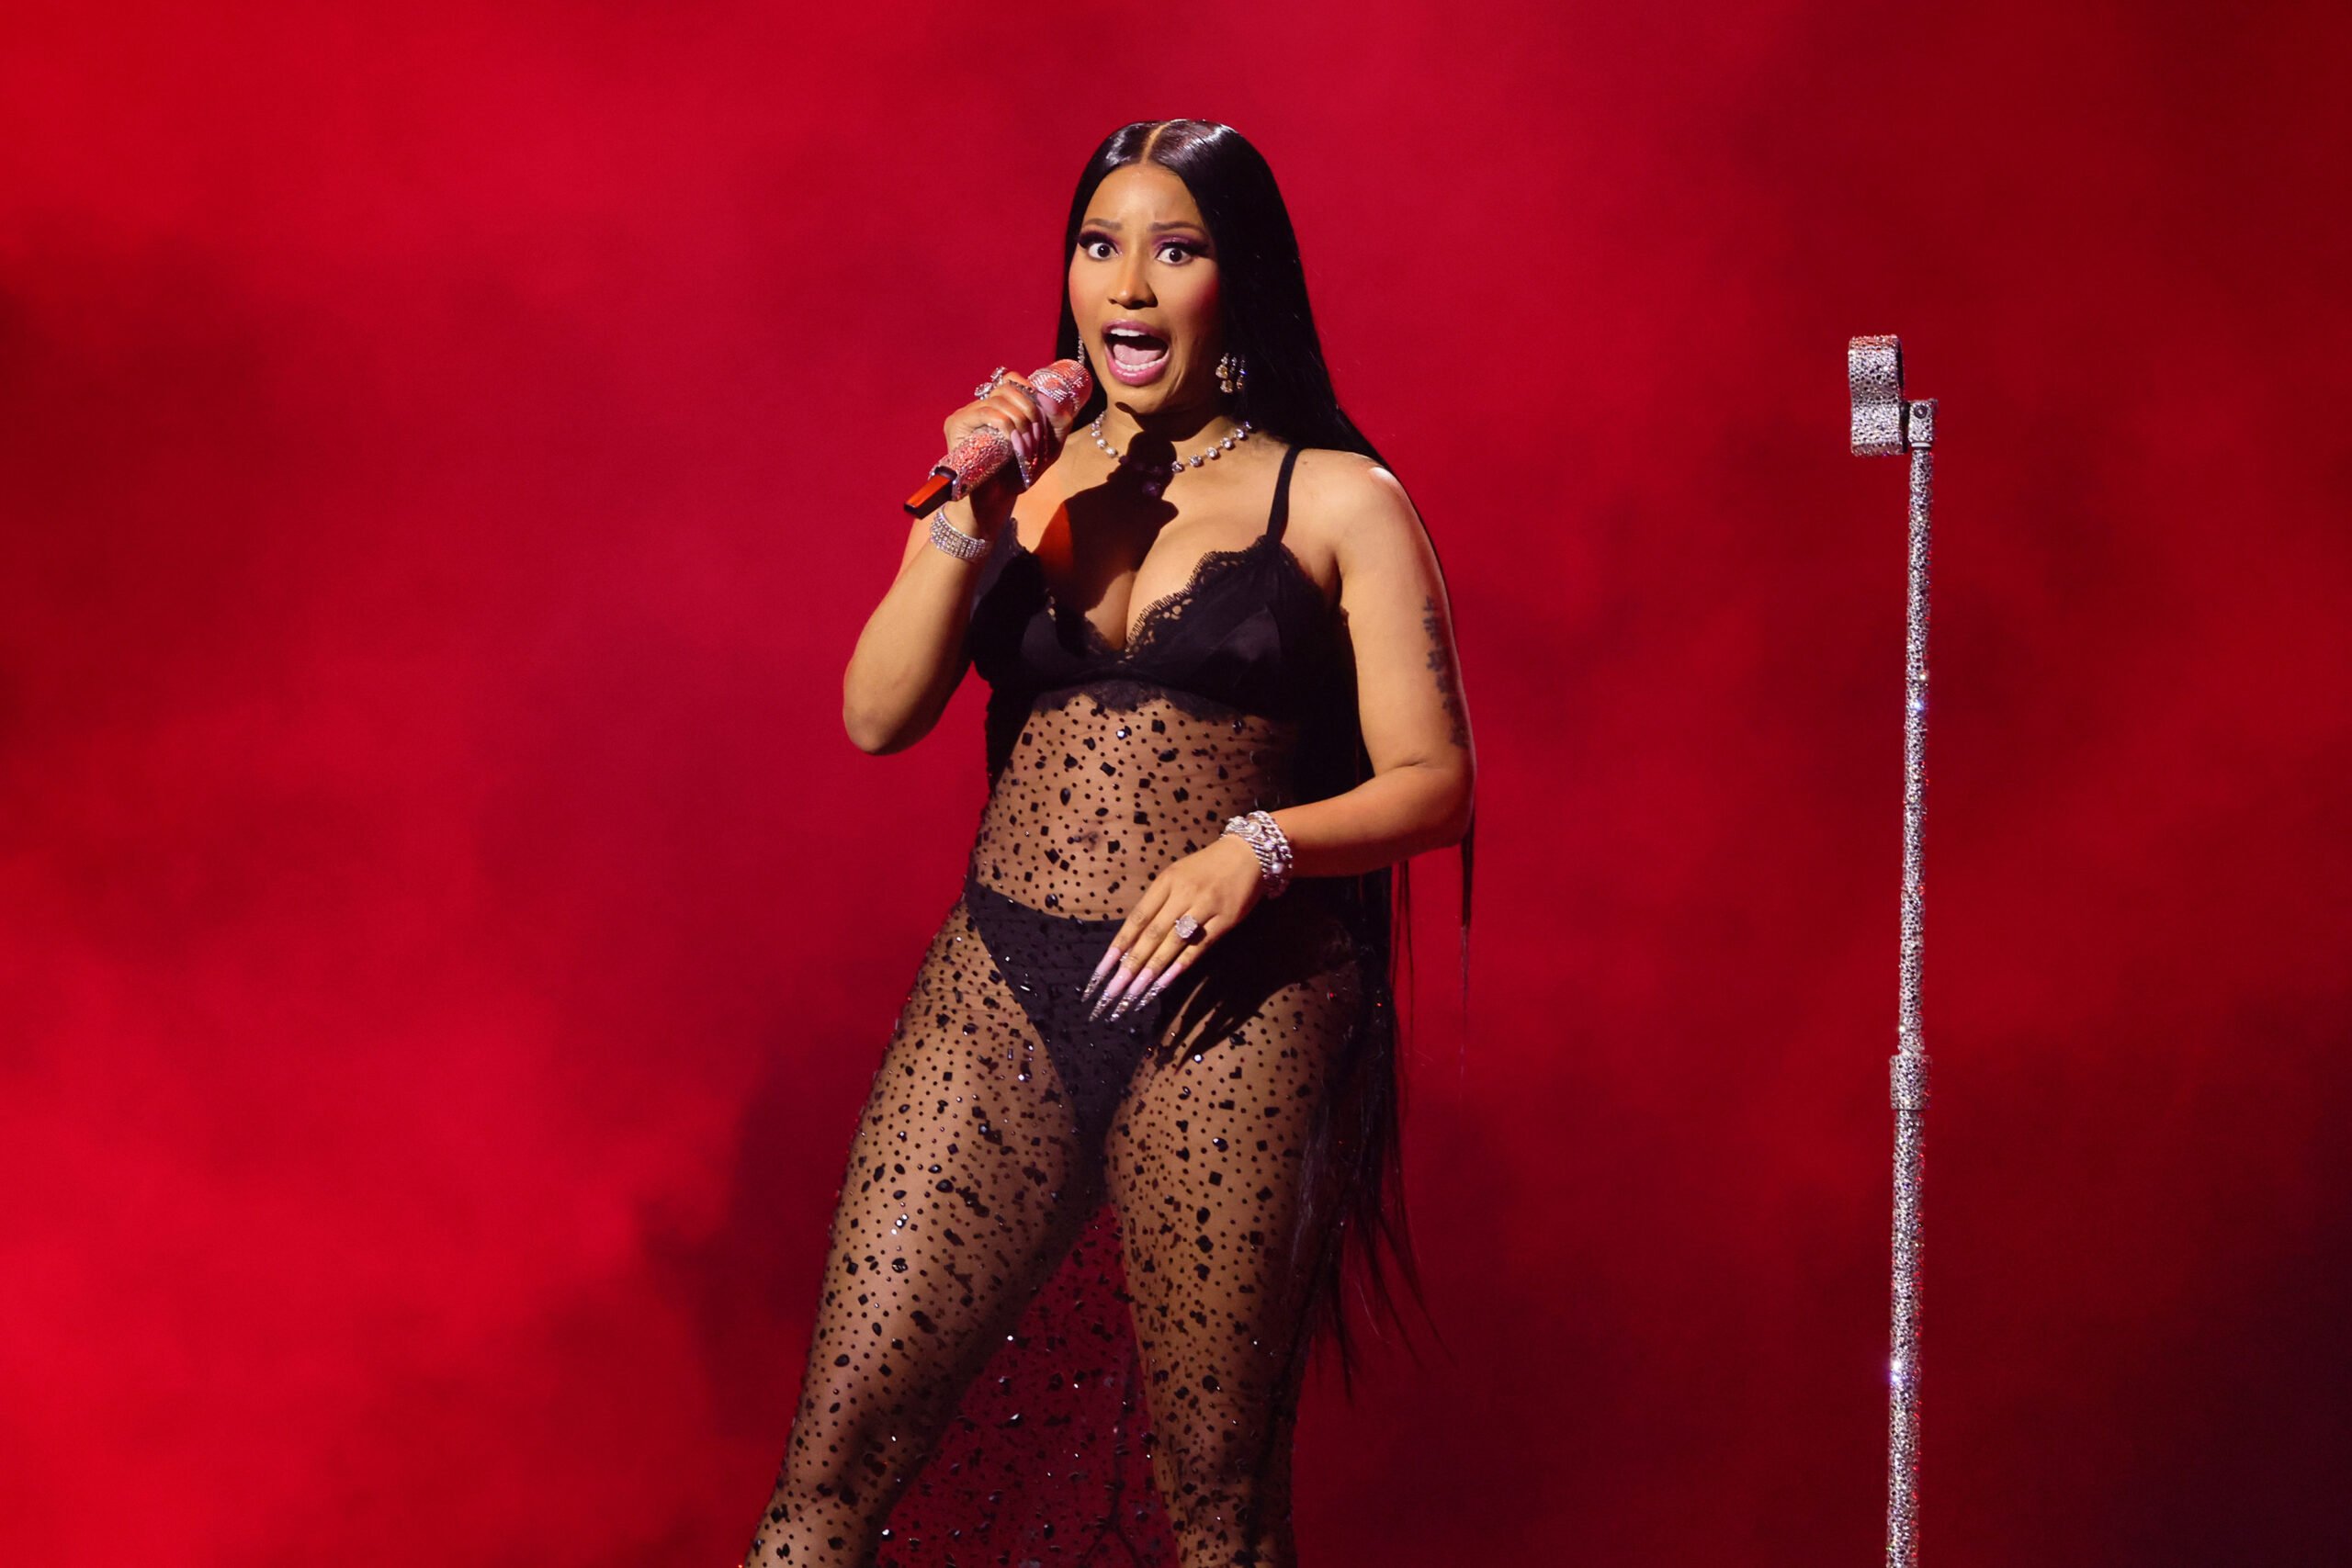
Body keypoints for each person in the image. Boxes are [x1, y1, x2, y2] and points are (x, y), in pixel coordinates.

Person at [746, 118, 1477, 1568]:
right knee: (831, 1463)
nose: (1128, 285)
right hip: (1001, 988)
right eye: (1099, 246)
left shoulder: (1339, 498)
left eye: (1174, 249)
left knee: (1217, 1497)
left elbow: (1435, 784)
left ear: (1239, 278)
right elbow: (876, 716)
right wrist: (966, 519)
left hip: (1231, 1009)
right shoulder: (1015, 478)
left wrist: (1258, 848)